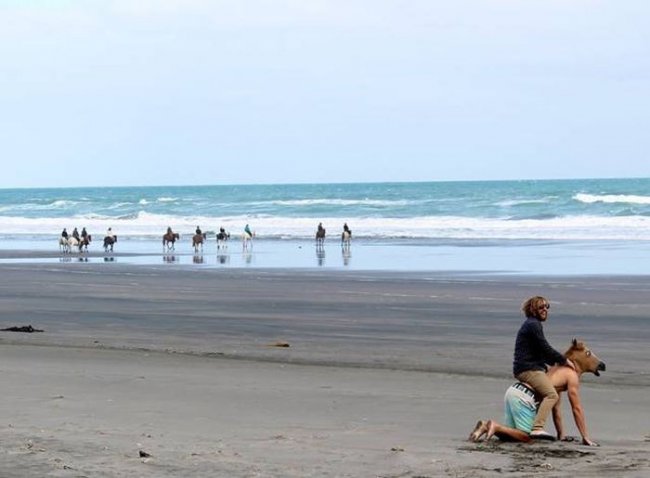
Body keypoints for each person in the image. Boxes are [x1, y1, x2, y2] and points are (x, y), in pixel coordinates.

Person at [470, 339, 604, 446]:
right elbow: (576, 408)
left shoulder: (556, 369)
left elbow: (555, 409)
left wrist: (561, 436)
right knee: (526, 438)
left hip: (514, 391)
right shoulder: (571, 376)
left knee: (513, 436)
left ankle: (486, 427)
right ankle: (495, 426)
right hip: (525, 397)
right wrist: (585, 437)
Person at [513, 296, 575, 439]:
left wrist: (555, 363)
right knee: (551, 395)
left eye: (547, 307)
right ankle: (537, 427)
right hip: (528, 369)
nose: (545, 310)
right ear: (533, 309)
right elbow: (545, 347)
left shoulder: (531, 324)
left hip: (528, 366)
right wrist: (564, 360)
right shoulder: (533, 325)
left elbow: (541, 352)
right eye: (541, 307)